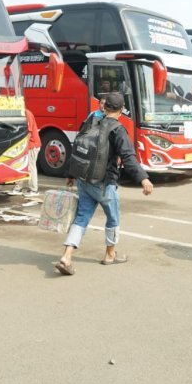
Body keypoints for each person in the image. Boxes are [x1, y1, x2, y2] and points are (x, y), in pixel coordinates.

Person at [56, 92, 153, 275]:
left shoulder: (90, 121)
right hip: (103, 184)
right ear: (122, 109)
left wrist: (70, 173)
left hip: (83, 180)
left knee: (81, 218)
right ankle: (110, 255)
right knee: (113, 218)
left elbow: (77, 147)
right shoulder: (117, 129)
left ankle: (66, 256)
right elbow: (128, 157)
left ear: (104, 106)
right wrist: (143, 178)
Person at [8, 109, 41, 198]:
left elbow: (29, 132)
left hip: (32, 144)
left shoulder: (27, 114)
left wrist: (22, 145)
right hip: (24, 145)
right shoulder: (19, 113)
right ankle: (18, 187)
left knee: (30, 167)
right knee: (20, 165)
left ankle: (34, 190)